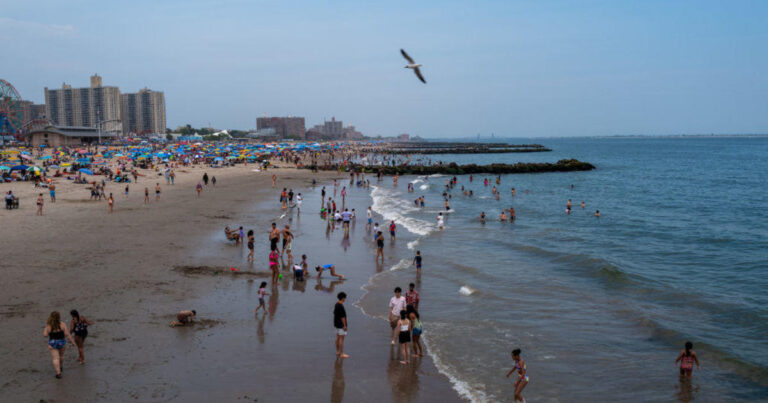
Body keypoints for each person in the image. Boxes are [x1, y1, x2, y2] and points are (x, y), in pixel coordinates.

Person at [44, 311, 76, 378]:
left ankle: (58, 373)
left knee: (55, 358)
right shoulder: (62, 324)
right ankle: (61, 367)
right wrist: (72, 342)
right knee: (61, 356)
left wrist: (47, 330)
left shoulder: (48, 325)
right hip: (61, 342)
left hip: (52, 343)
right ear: (59, 317)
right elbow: (67, 334)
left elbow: (45, 335)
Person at [334, 292, 349, 358]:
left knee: (338, 338)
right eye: (345, 298)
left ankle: (337, 352)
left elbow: (334, 313)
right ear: (343, 298)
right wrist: (345, 325)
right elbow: (342, 317)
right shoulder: (341, 306)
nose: (345, 299)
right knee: (341, 339)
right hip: (340, 325)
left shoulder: (336, 304)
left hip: (336, 324)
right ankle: (341, 353)